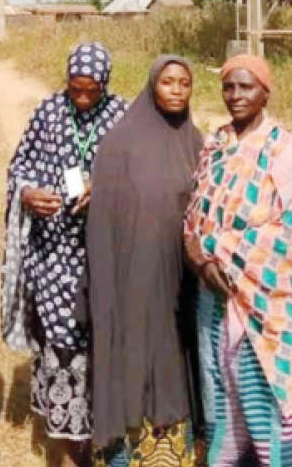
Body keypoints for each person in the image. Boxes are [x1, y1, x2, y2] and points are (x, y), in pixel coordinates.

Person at [184, 54, 292, 467]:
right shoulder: (216, 145)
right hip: (214, 297)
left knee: (265, 394)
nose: (235, 96)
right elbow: (196, 212)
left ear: (266, 91)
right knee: (222, 391)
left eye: (246, 87)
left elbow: (286, 232)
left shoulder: (286, 148)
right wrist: (196, 253)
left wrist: (219, 257)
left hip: (267, 302)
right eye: (228, 87)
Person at [2, 41, 128, 467]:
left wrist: (104, 189)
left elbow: (141, 177)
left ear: (105, 85)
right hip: (52, 257)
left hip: (102, 257)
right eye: (75, 88)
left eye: (91, 89)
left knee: (100, 344)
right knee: (60, 342)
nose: (82, 97)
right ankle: (69, 437)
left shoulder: (122, 117)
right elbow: (18, 166)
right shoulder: (48, 112)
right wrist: (29, 194)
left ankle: (105, 433)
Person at [88, 55, 204, 467]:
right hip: (133, 277)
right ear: (152, 85)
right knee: (136, 352)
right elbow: (102, 223)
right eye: (168, 81)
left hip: (182, 278)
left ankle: (176, 451)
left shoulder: (196, 142)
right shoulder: (121, 142)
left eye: (184, 83)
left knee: (178, 354)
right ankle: (127, 452)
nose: (176, 89)